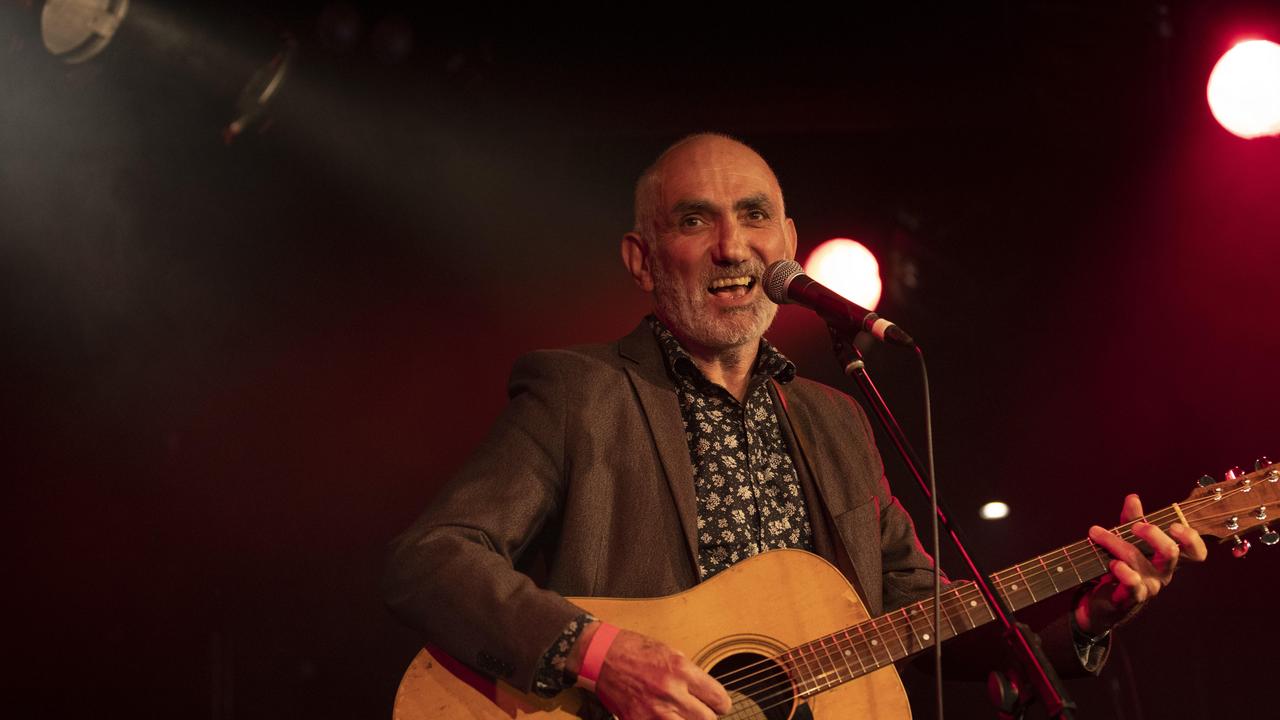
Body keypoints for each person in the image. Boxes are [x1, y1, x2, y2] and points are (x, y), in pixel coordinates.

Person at [383, 133, 1206, 720]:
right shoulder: (580, 393)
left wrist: (1085, 619)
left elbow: (918, 616)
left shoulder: (835, 420)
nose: (732, 246)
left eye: (754, 216)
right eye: (695, 220)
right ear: (642, 259)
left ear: (789, 244)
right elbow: (431, 561)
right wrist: (605, 658)